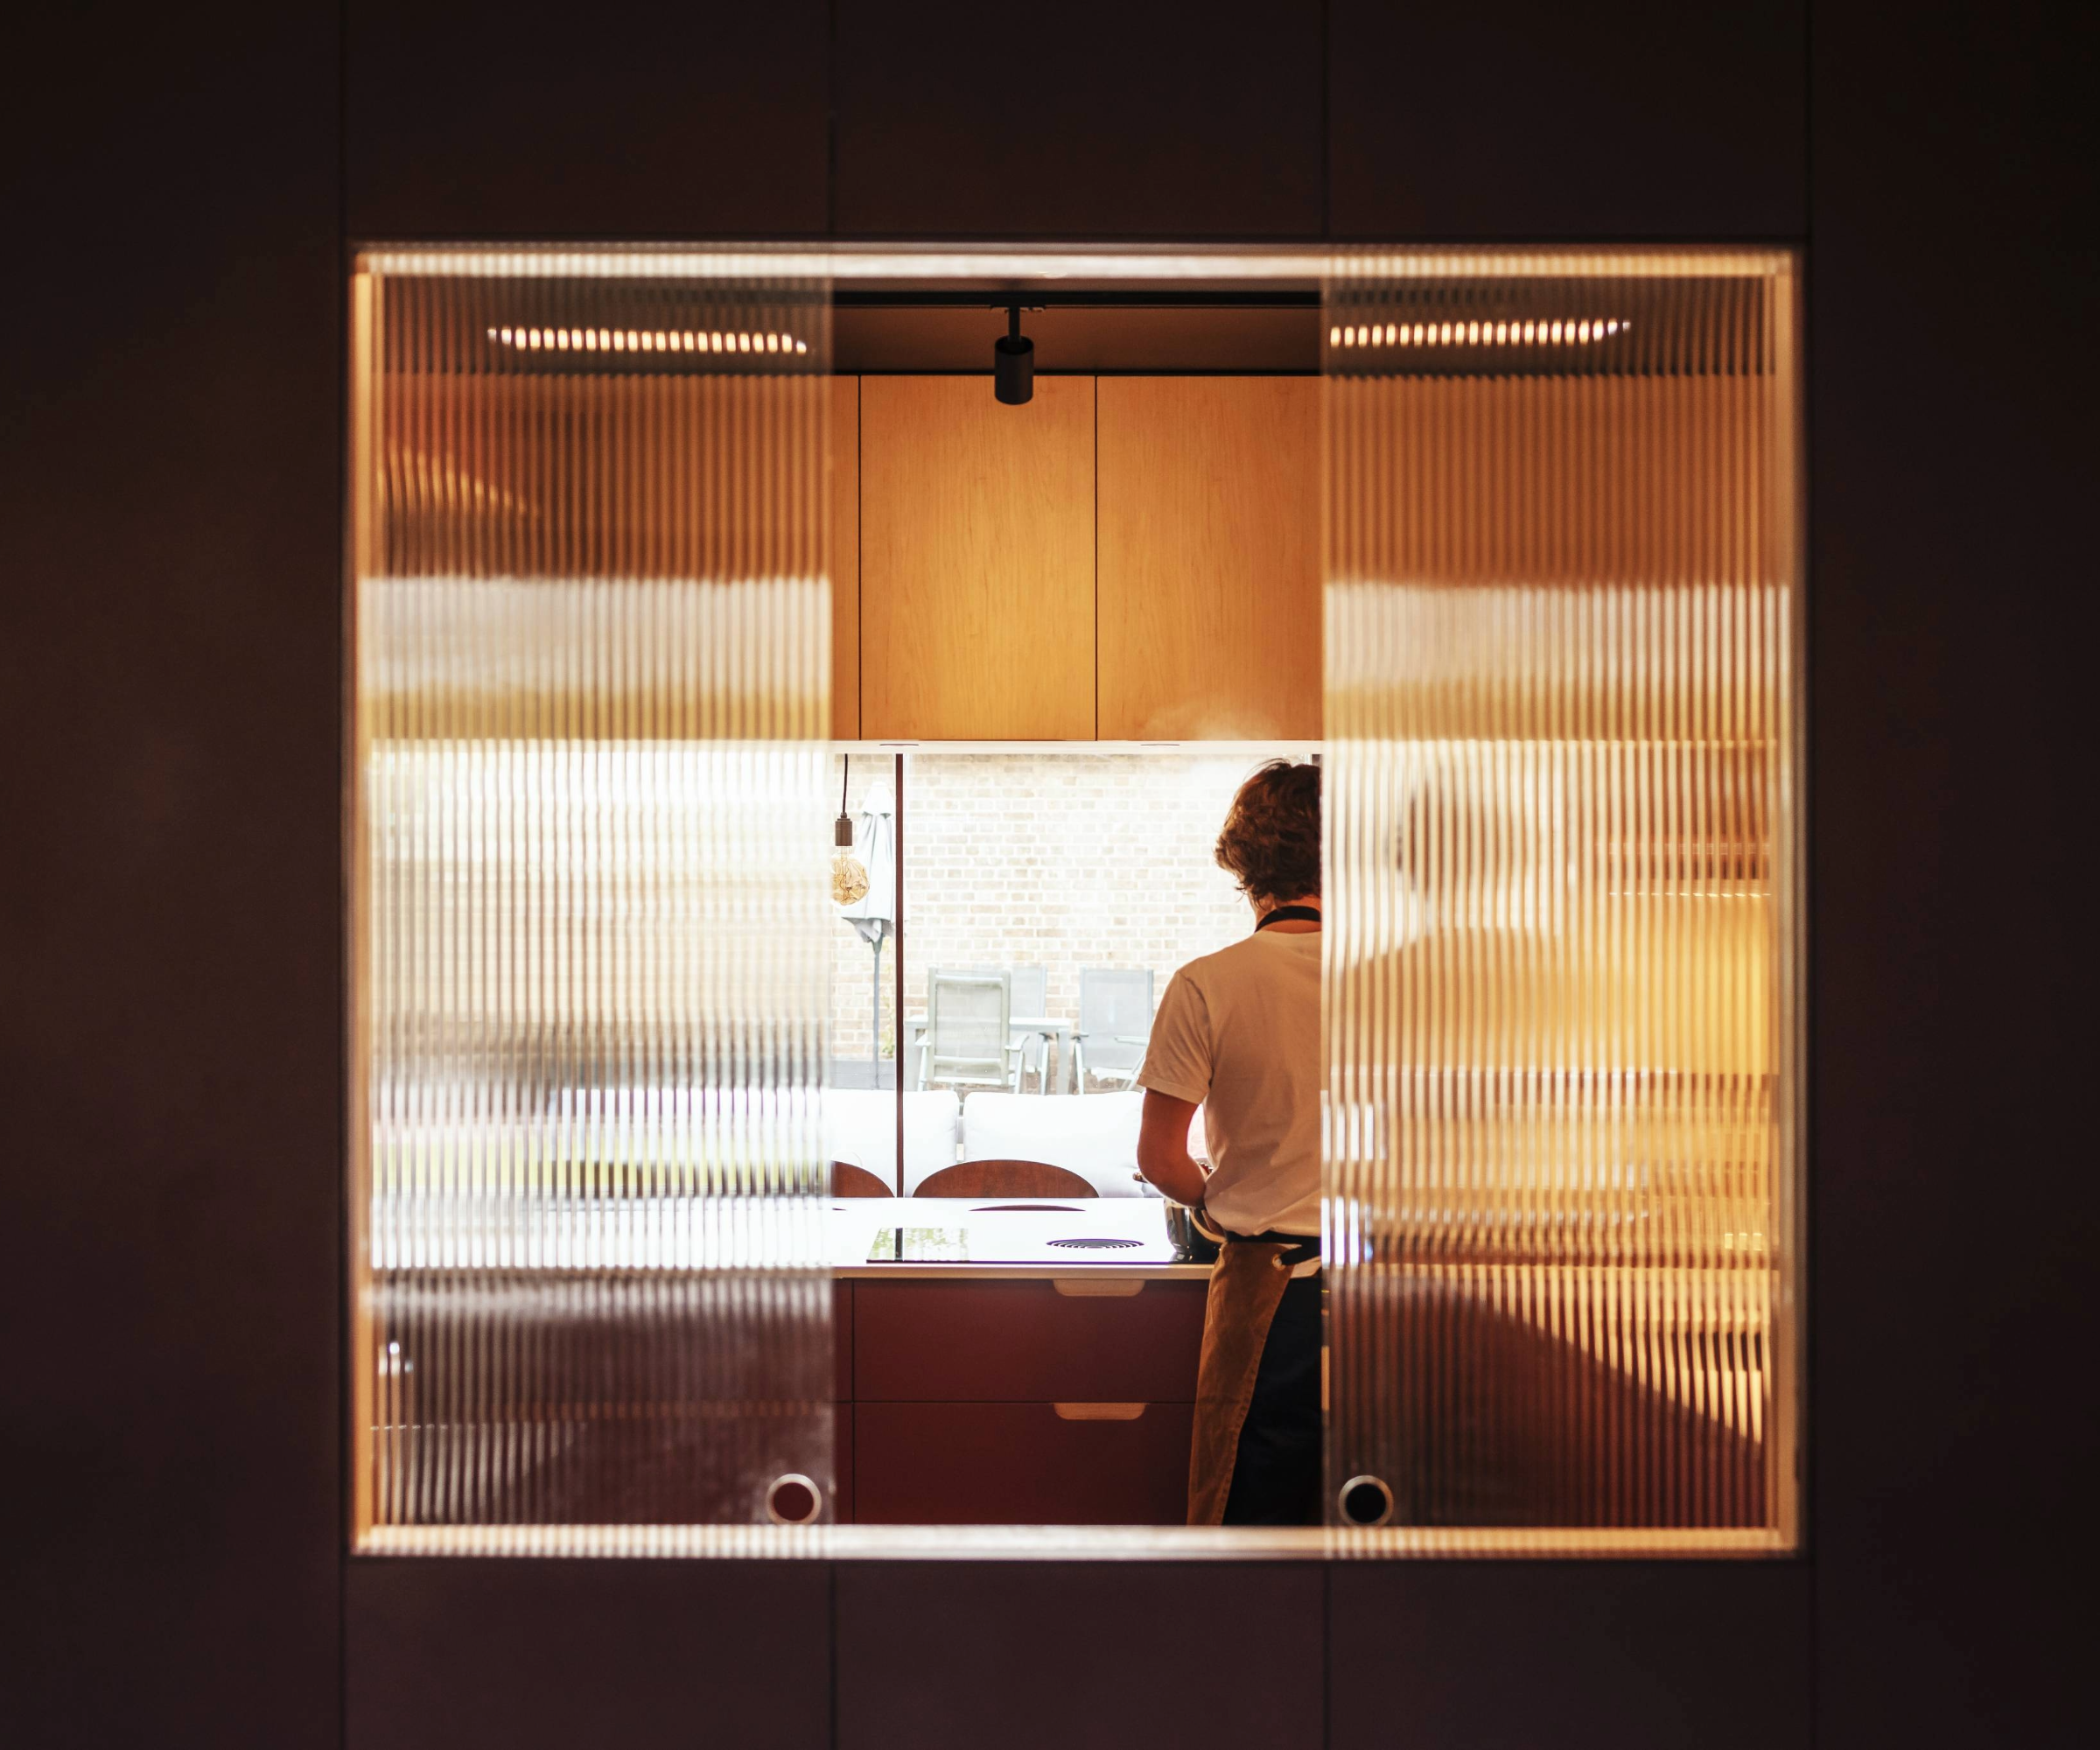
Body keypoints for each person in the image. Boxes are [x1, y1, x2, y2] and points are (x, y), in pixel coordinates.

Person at [1135, 760, 1323, 1526]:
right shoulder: (1398, 983)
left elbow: (1161, 1160)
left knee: (1254, 1510)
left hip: (1270, 1291)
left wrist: (1214, 1198)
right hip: (1391, 1292)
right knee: (1373, 1512)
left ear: (1245, 865)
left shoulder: (1207, 984)